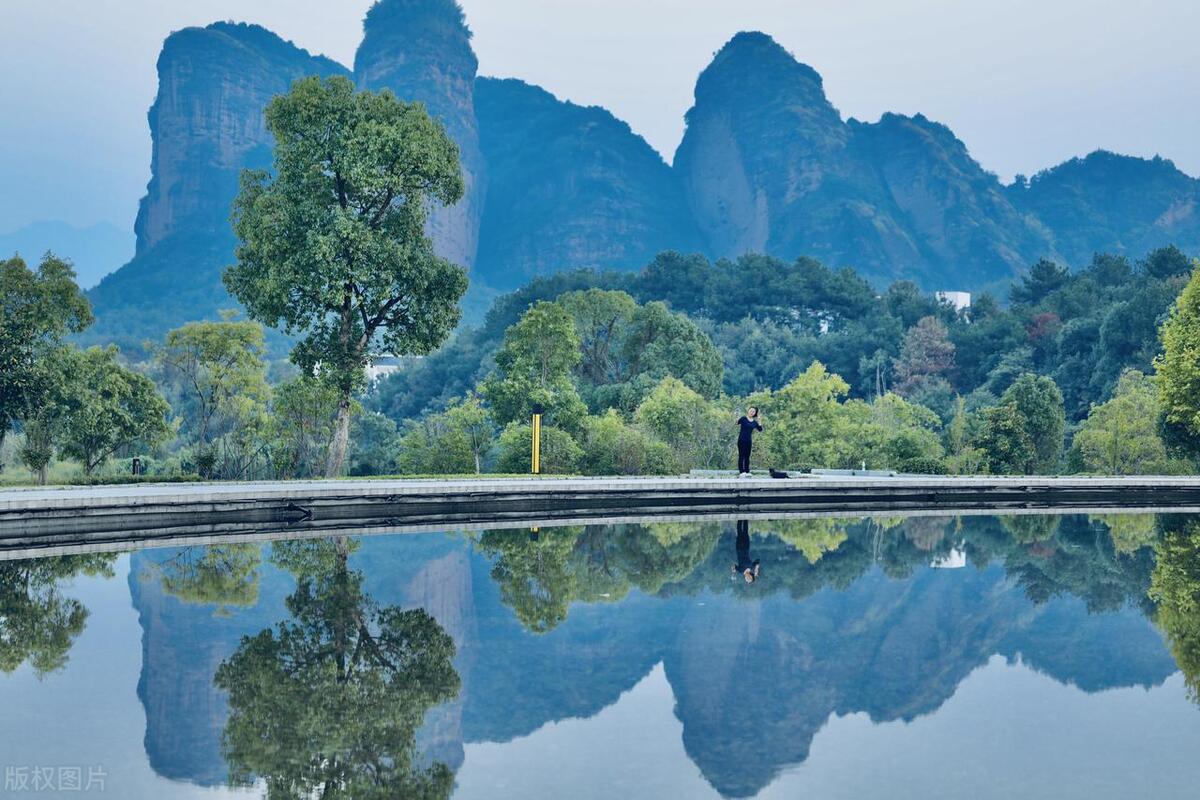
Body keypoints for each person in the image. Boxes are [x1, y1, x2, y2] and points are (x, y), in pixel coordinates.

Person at [735, 407, 763, 476]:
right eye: (751, 411)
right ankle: (742, 472)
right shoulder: (743, 418)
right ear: (748, 411)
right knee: (741, 455)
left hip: (749, 441)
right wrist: (736, 416)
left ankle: (747, 471)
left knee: (747, 456)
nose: (752, 412)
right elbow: (737, 423)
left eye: (753, 411)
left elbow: (760, 429)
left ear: (755, 413)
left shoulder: (754, 422)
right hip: (741, 440)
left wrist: (759, 420)